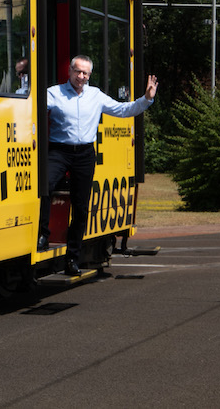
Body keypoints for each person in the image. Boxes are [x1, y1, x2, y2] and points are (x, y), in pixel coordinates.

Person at [40, 55, 158, 276]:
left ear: (89, 75)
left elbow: (124, 110)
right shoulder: (54, 93)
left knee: (81, 207)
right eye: (77, 72)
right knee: (44, 186)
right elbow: (33, 109)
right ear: (70, 71)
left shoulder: (95, 96)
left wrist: (146, 99)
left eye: (85, 73)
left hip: (84, 153)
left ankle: (72, 259)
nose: (81, 76)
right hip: (59, 150)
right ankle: (43, 236)